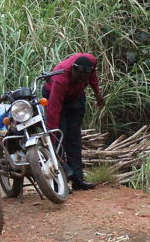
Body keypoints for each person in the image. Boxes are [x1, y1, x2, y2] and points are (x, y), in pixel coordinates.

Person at [43, 53, 105, 191]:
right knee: (60, 138)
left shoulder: (91, 61)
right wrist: (52, 137)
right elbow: (53, 111)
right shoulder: (61, 77)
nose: (80, 80)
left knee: (74, 139)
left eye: (83, 79)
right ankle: (58, 183)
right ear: (73, 69)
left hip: (75, 97)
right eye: (77, 77)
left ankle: (78, 180)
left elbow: (93, 78)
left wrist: (97, 94)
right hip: (55, 96)